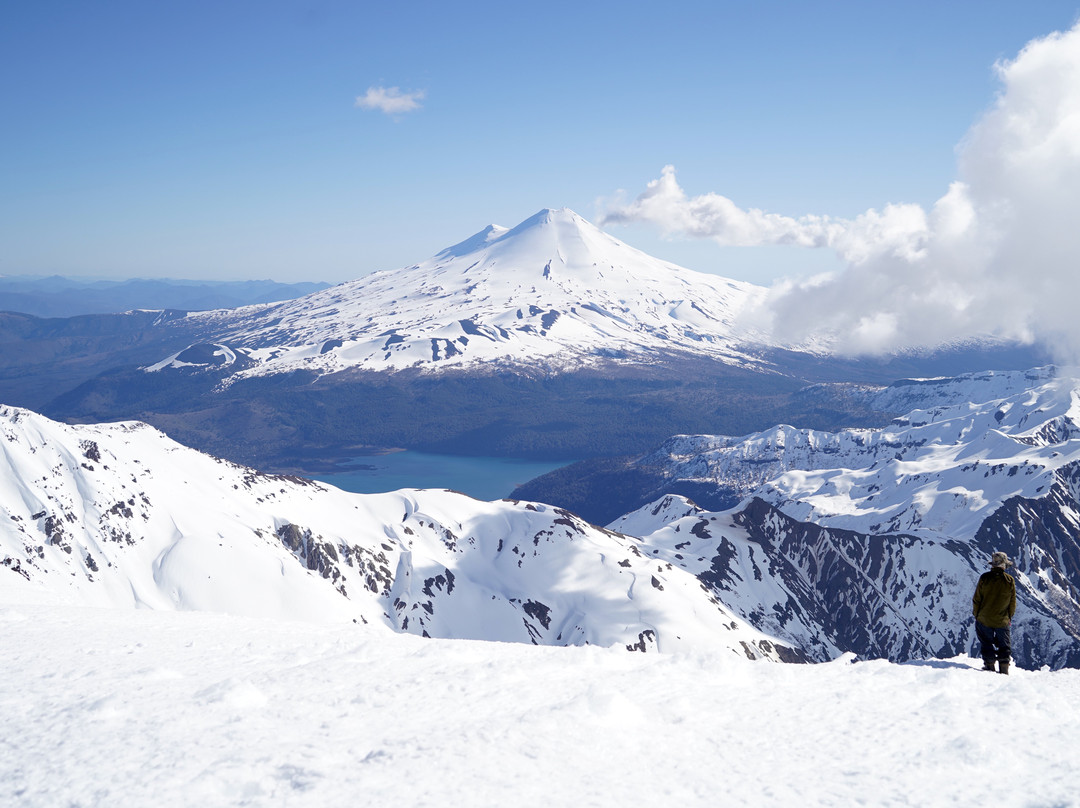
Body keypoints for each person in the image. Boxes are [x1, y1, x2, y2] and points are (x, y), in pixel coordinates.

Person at [972, 551, 1017, 674]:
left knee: (986, 643)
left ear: (992, 564)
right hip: (1002, 620)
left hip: (984, 618)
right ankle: (1004, 669)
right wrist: (1008, 617)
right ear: (1004, 565)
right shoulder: (1009, 580)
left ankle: (989, 666)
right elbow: (1012, 603)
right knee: (1004, 645)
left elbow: (977, 599)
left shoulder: (984, 578)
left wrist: (977, 615)